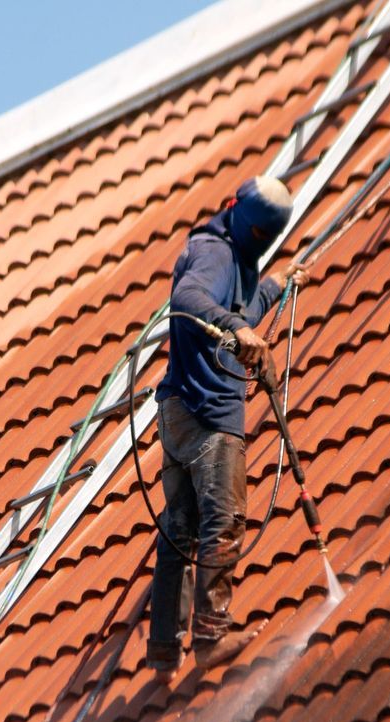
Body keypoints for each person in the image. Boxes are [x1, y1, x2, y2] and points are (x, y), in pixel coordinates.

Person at [146, 175, 295, 681]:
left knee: (179, 528)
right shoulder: (215, 253)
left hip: (177, 410)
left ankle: (164, 647)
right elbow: (189, 299)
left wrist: (273, 287)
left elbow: (233, 312)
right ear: (258, 232)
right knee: (224, 519)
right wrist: (240, 329)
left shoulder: (226, 251)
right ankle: (210, 634)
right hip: (209, 413)